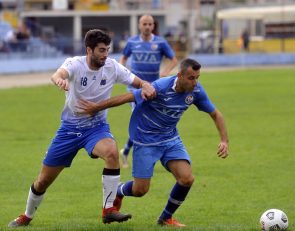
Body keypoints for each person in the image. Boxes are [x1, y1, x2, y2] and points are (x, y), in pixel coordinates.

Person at [8, 29, 155, 228]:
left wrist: (146, 85)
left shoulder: (112, 67)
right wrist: (59, 80)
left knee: (112, 152)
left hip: (96, 128)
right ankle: (26, 216)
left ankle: (109, 210)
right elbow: (58, 74)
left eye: (107, 50)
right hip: (69, 129)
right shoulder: (75, 64)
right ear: (89, 50)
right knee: (43, 181)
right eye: (101, 50)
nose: (105, 54)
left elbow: (138, 82)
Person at [77, 58, 229, 227]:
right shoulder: (159, 88)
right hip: (145, 141)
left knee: (186, 179)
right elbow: (127, 98)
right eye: (191, 78)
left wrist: (224, 140)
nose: (195, 82)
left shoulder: (197, 92)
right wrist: (96, 107)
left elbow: (216, 114)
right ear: (179, 76)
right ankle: (119, 190)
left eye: (197, 77)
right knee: (140, 190)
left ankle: (165, 218)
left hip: (170, 139)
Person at [119, 14, 178, 168]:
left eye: (150, 24)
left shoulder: (160, 42)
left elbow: (173, 59)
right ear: (139, 25)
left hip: (153, 88)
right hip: (136, 88)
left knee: (149, 122)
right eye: (144, 24)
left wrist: (165, 72)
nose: (147, 26)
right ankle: (142, 157)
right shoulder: (132, 42)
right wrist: (124, 72)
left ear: (153, 26)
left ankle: (126, 151)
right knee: (140, 121)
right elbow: (123, 59)